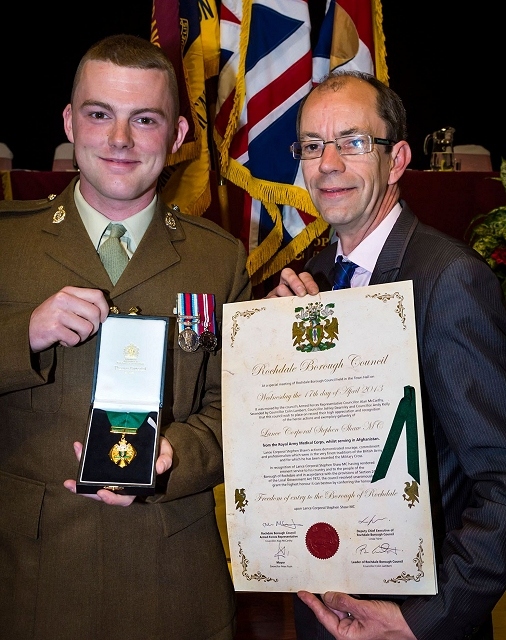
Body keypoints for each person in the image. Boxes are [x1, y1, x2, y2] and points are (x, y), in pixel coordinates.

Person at [0, 34, 251, 640]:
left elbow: (239, 412)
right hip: (28, 580)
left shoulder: (218, 261)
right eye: (99, 114)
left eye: (144, 120)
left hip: (172, 581)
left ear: (177, 136)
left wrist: (174, 458)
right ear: (69, 121)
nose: (119, 140)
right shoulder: (7, 245)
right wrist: (21, 334)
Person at [266, 70, 506, 639]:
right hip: (322, 607)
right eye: (312, 145)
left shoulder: (449, 280)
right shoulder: (311, 282)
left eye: (352, 142)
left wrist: (423, 620)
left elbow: (500, 478)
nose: (327, 164)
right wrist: (279, 351)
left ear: (396, 160)